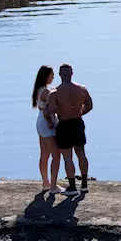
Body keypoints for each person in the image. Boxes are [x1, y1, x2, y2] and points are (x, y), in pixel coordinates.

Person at [46, 63, 93, 194]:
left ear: (60, 74)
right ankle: (84, 183)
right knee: (81, 153)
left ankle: (72, 186)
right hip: (77, 122)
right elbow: (89, 105)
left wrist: (52, 120)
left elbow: (50, 110)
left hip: (64, 124)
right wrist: (80, 113)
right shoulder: (82, 89)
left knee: (68, 157)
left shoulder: (55, 92)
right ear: (72, 73)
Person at [31, 65, 61, 193]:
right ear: (46, 76)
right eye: (52, 75)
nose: (53, 77)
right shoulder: (46, 92)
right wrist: (51, 122)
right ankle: (53, 186)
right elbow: (51, 109)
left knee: (44, 154)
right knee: (56, 155)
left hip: (40, 123)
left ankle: (46, 183)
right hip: (46, 123)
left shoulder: (39, 90)